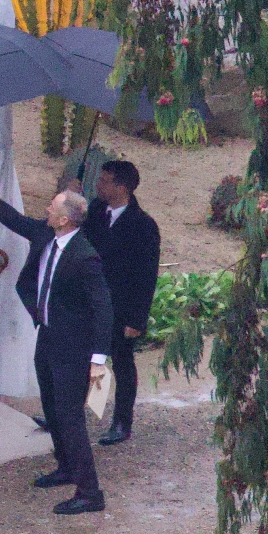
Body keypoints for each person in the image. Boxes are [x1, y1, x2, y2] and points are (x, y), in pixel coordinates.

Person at [0, 175, 113, 515]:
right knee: (51, 404)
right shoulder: (46, 233)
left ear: (65, 220)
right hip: (47, 335)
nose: (46, 208)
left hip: (73, 347)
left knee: (70, 415)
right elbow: (13, 219)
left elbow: (103, 306)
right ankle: (66, 465)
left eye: (53, 206)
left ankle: (90, 492)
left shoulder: (84, 256)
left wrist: (97, 358)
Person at [79, 161, 160, 446]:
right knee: (85, 358)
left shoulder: (143, 226)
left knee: (122, 363)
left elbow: (146, 276)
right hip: (91, 302)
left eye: (104, 181)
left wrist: (136, 320)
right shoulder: (95, 213)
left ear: (121, 187)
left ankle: (122, 421)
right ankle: (81, 411)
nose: (98, 185)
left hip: (121, 306)